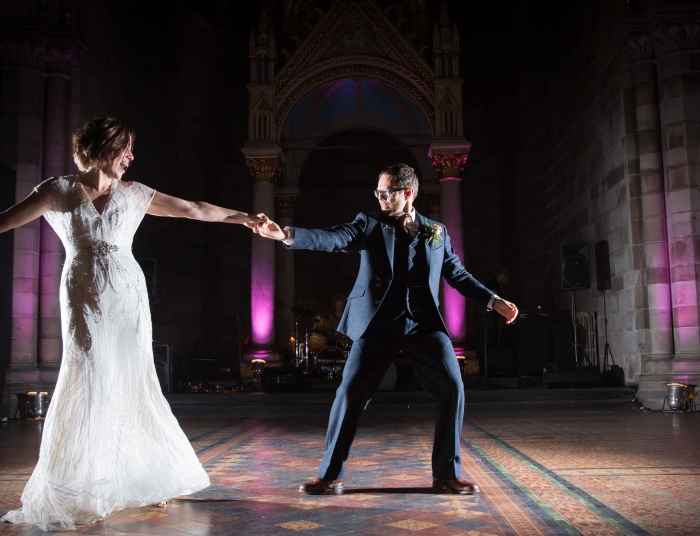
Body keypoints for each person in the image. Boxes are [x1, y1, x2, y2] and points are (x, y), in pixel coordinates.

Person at [0, 118, 263, 531]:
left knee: (130, 377)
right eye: (125, 149)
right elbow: (5, 221)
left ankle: (140, 474)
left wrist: (245, 218)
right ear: (104, 148)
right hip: (84, 293)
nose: (131, 157)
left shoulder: (135, 194)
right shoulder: (58, 191)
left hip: (127, 296)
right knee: (90, 375)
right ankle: (84, 482)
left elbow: (192, 209)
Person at [254, 163, 518, 495]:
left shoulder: (436, 232)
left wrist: (494, 301)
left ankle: (447, 475)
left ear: (407, 194)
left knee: (452, 388)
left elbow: (457, 274)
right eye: (377, 192)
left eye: (385, 192)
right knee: (350, 394)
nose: (379, 197)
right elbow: (333, 238)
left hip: (423, 324)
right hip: (377, 324)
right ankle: (330, 474)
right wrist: (285, 234)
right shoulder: (369, 224)